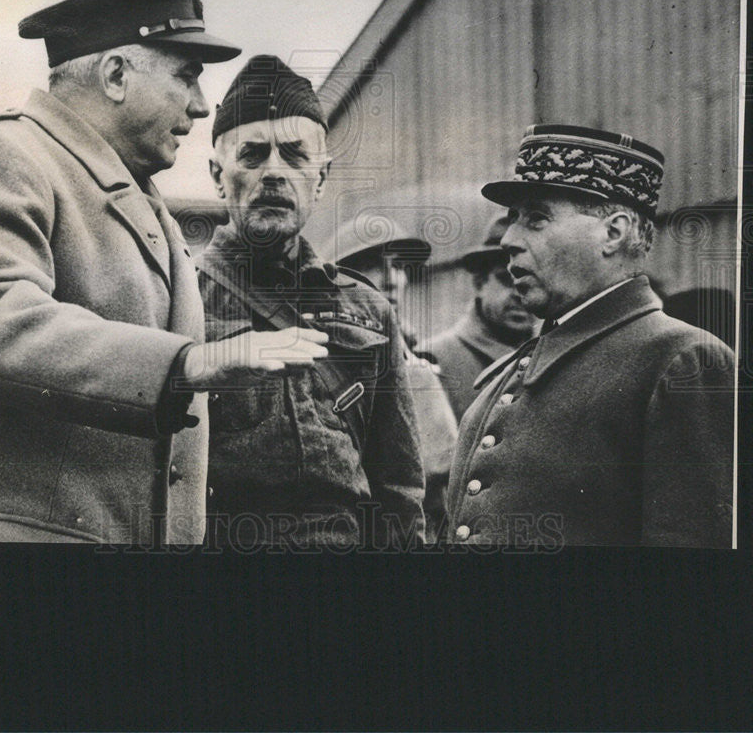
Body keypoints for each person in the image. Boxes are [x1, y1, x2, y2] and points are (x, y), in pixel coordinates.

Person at [0, 0, 328, 543]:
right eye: (186, 75)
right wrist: (185, 363)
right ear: (116, 74)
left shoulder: (140, 200)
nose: (201, 106)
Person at [446, 123, 734, 548]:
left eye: (536, 218)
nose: (509, 239)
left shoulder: (683, 360)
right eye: (512, 220)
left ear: (613, 233)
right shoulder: (512, 370)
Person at [198, 55, 425, 549]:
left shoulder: (368, 309)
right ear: (218, 175)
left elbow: (399, 490)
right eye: (252, 155)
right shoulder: (178, 299)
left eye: (295, 156)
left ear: (321, 178)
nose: (274, 173)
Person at [327, 218, 457, 545]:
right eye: (373, 266)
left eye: (398, 267)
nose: (392, 280)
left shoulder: (417, 355)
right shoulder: (332, 359)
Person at [423, 215, 537, 423]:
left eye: (529, 281)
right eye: (506, 279)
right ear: (479, 283)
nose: (518, 293)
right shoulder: (434, 358)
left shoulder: (551, 354)